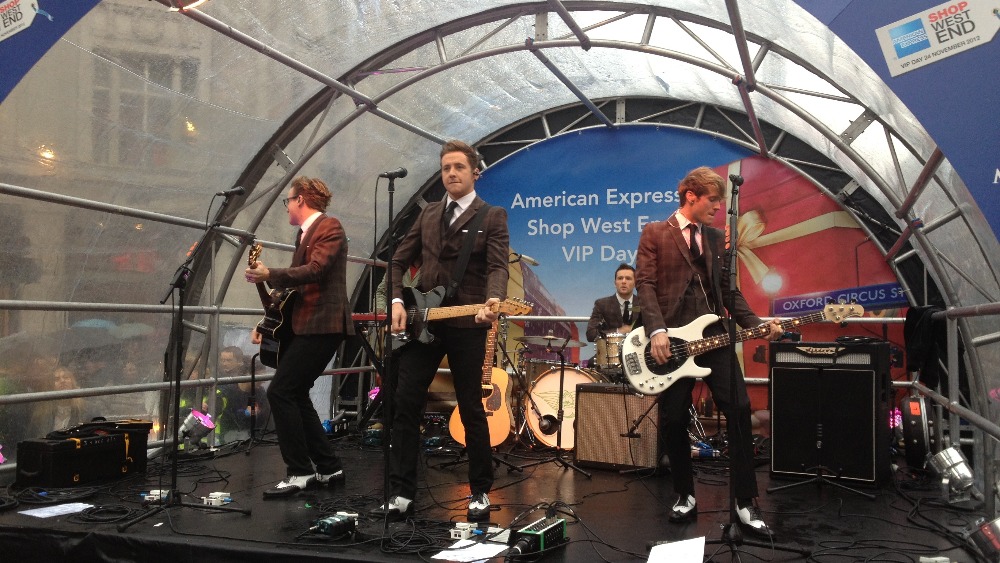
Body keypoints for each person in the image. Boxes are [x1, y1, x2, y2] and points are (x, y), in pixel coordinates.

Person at [635, 166, 782, 540]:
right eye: (712, 200)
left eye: (720, 201)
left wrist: (757, 324)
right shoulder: (655, 233)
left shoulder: (717, 238)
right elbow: (645, 285)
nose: (718, 207)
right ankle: (685, 494)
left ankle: (745, 502)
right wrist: (657, 331)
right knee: (672, 420)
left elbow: (729, 292)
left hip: (714, 336)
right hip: (672, 341)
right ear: (691, 196)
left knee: (740, 409)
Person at [373, 140, 509, 522]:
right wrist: (396, 301)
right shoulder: (429, 214)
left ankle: (480, 491)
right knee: (404, 401)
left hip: (468, 322)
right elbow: (397, 261)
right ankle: (401, 493)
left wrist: (494, 300)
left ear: (474, 173)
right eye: (446, 167)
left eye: (458, 167)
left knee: (471, 407)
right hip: (424, 323)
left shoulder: (491, 215)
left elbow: (498, 267)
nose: (451, 173)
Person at [245, 176, 355, 498]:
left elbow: (316, 271)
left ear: (301, 200)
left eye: (288, 201)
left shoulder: (329, 227)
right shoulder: (304, 234)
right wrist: (264, 322)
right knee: (295, 392)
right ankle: (328, 466)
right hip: (309, 325)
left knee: (281, 391)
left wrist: (271, 273)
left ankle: (300, 471)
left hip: (323, 325)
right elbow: (292, 291)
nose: (287, 207)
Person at [585, 263, 639, 342]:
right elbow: (591, 334)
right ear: (615, 283)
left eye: (628, 278)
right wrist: (618, 331)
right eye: (620, 278)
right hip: (610, 349)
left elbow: (652, 330)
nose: (623, 281)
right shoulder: (602, 305)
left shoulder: (643, 304)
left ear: (635, 283)